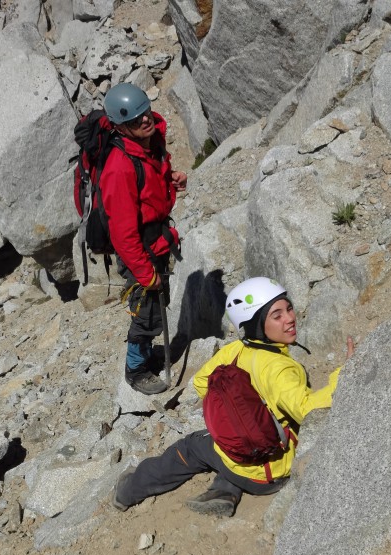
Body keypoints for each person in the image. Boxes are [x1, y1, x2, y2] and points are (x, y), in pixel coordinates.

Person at [111, 276, 355, 518]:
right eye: (277, 315)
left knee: (192, 446)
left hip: (249, 467)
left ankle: (127, 492)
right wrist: (346, 372)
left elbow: (201, 382)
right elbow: (307, 409)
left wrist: (231, 415)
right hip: (273, 472)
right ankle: (223, 491)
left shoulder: (235, 351)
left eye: (288, 309)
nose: (290, 318)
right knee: (238, 440)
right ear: (258, 324)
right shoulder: (279, 368)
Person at [99, 83, 187, 395]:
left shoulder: (149, 143)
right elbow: (123, 233)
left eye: (145, 113)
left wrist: (173, 181)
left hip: (156, 241)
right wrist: (145, 273)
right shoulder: (119, 168)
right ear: (121, 127)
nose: (145, 121)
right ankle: (135, 369)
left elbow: (152, 183)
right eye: (135, 120)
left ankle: (147, 354)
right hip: (141, 251)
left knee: (154, 305)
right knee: (148, 310)